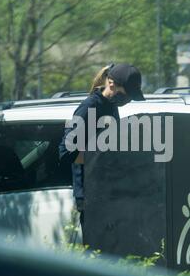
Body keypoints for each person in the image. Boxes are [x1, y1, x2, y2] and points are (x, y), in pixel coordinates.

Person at [59, 63, 145, 237]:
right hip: (90, 197)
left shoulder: (111, 107)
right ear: (111, 83)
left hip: (109, 193)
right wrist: (95, 158)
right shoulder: (90, 107)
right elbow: (65, 152)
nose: (128, 100)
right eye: (127, 94)